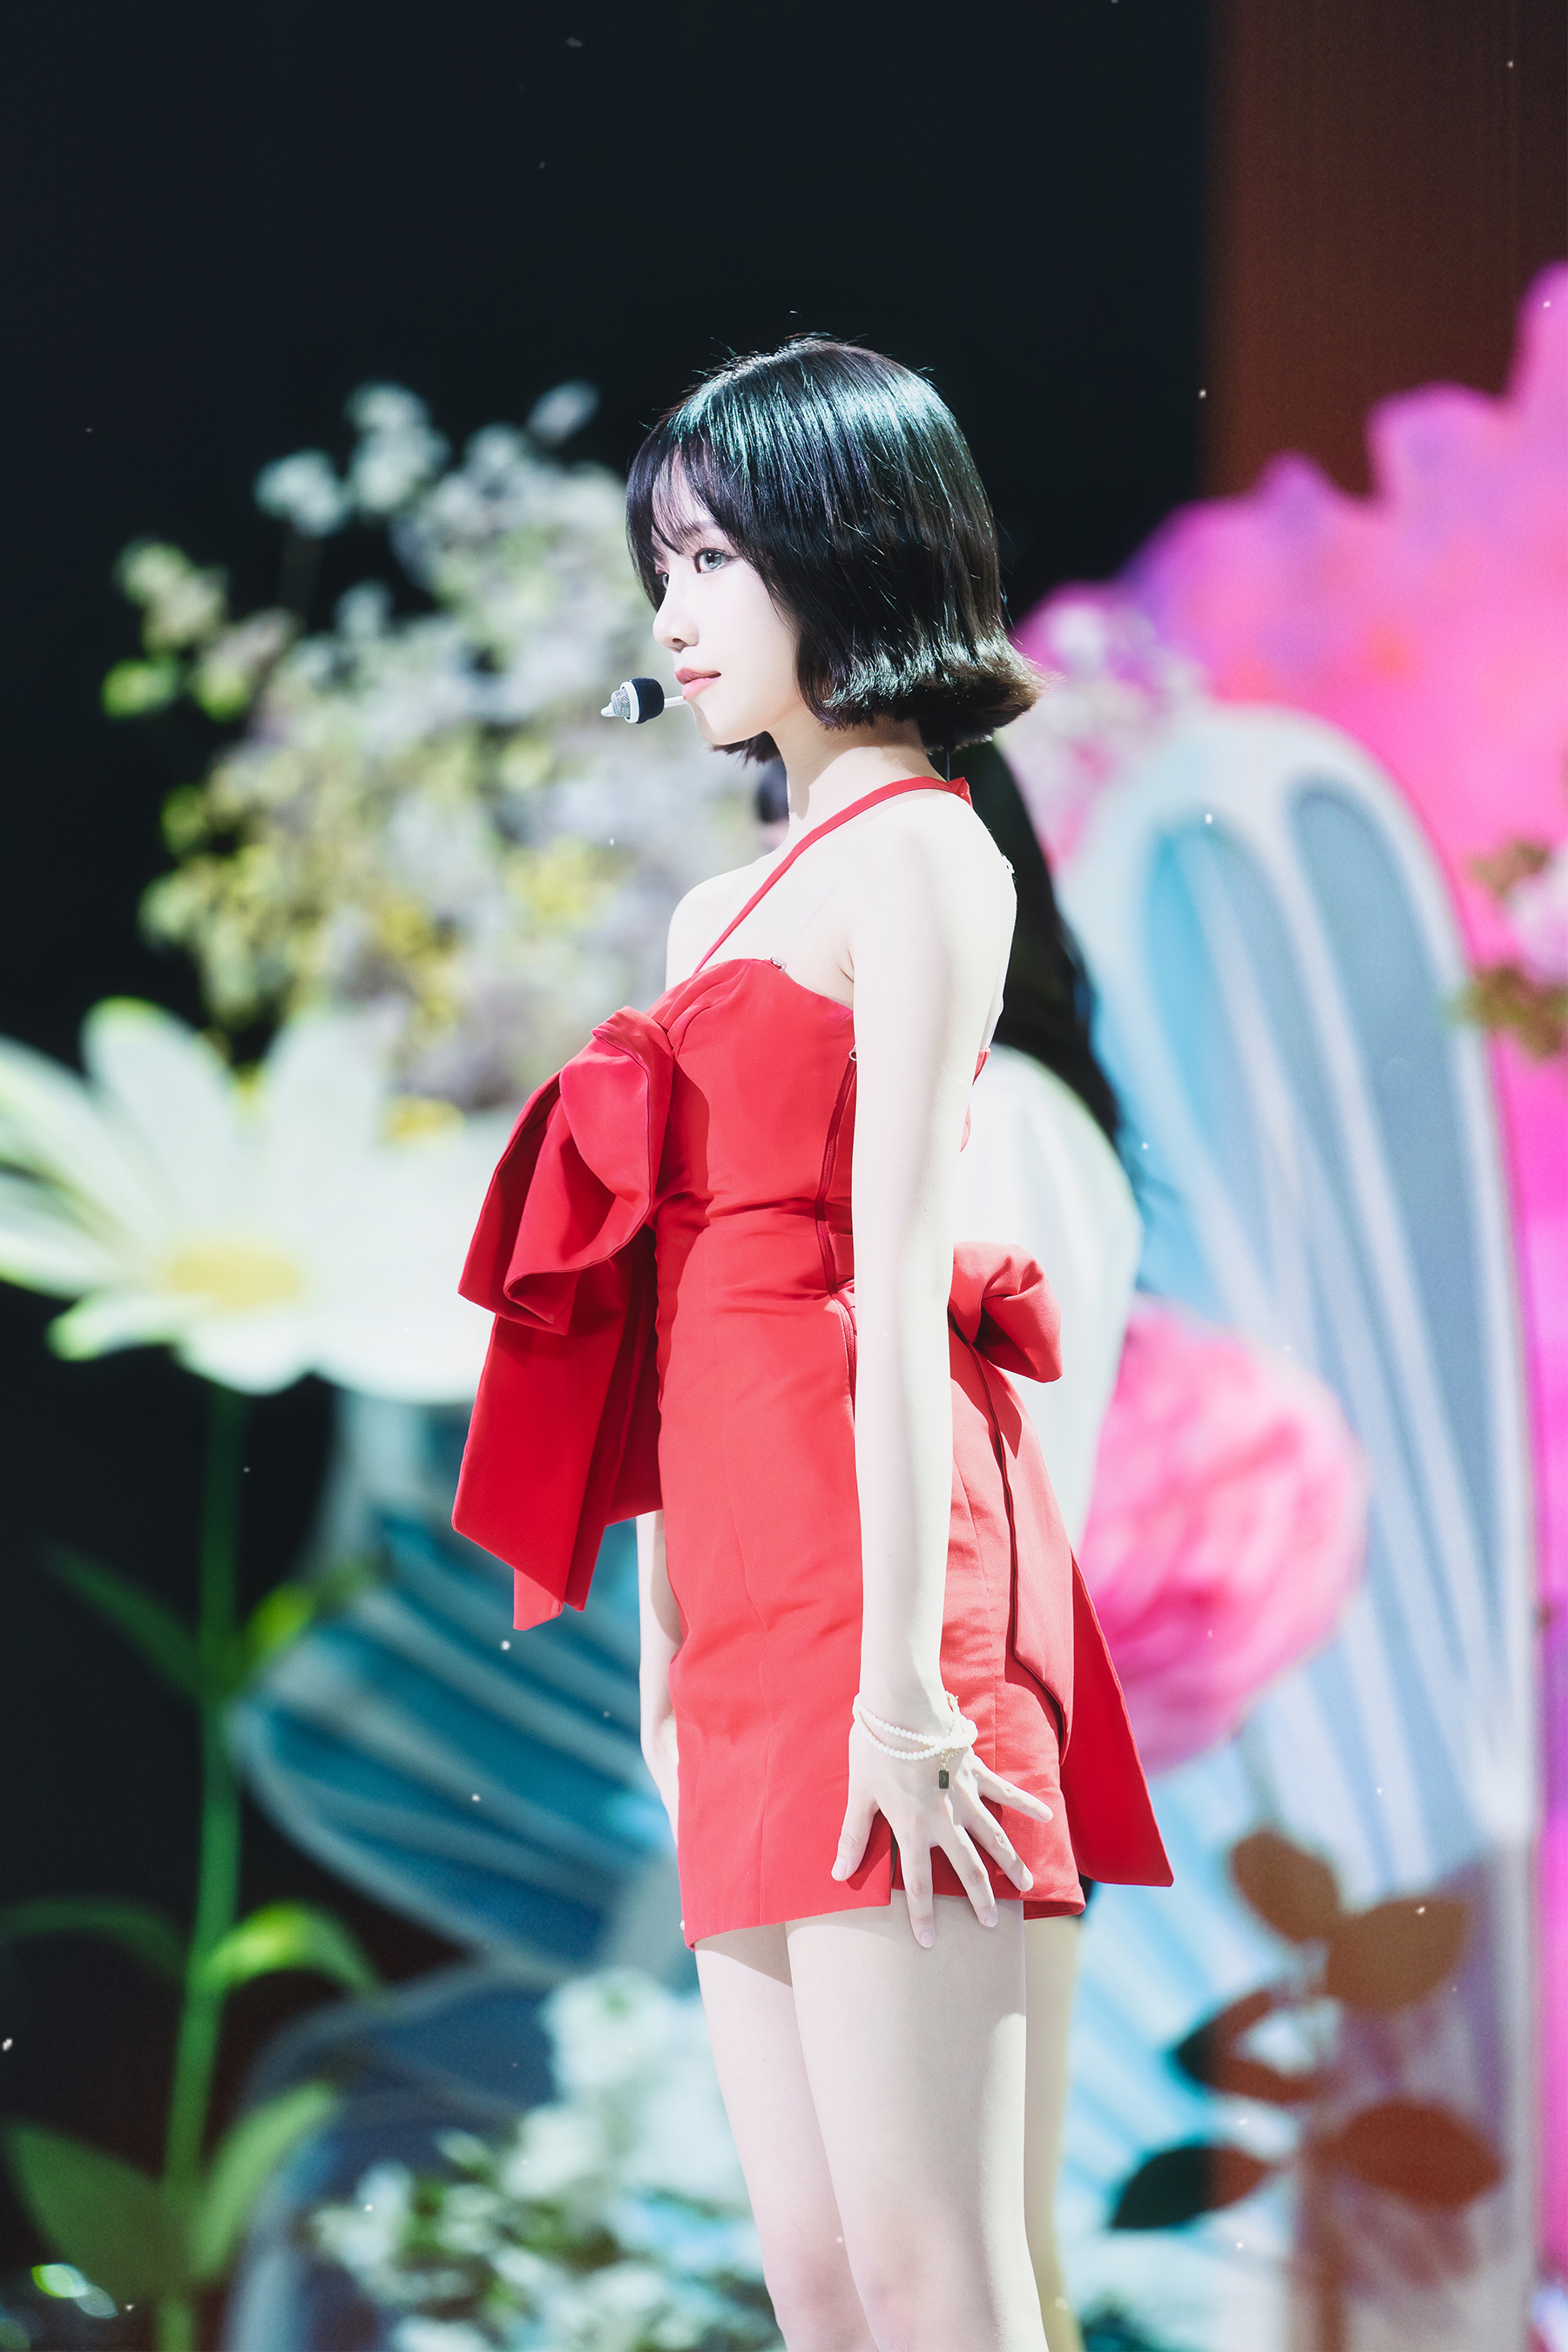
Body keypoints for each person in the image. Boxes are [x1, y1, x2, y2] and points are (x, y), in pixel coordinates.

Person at [453, 340, 1169, 2352]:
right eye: (661, 568)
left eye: (712, 560)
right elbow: (673, 1302)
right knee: (823, 2280)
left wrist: (908, 1690)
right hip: (744, 1605)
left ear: (844, 552)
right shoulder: (709, 917)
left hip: (891, 1598)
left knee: (942, 2269)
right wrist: (666, 1639)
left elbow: (902, 1265)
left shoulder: (931, 850)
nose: (673, 615)